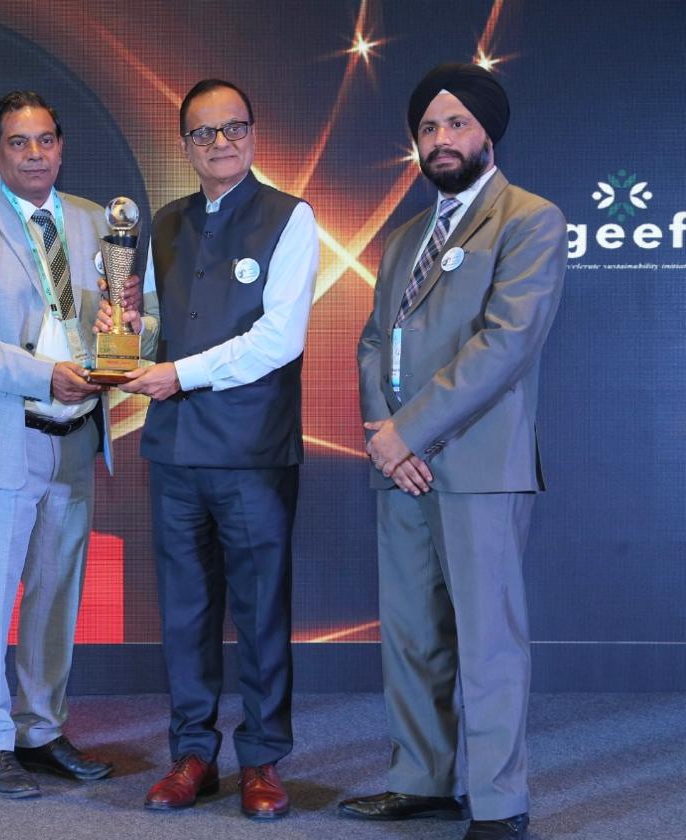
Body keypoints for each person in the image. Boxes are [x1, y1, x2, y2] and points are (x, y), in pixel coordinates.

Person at [342, 64, 567, 840]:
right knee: (413, 635)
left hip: (477, 465)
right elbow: (374, 343)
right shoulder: (405, 238)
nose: (442, 139)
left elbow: (505, 346)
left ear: (487, 132)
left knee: (487, 641)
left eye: (457, 123)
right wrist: (385, 438)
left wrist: (408, 432)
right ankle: (422, 781)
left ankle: (499, 803)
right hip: (400, 470)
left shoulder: (529, 220)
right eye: (429, 127)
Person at [0, 90, 149, 799]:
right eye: (18, 143)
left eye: (46, 140)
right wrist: (41, 375)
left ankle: (41, 729)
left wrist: (132, 338)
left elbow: (138, 322)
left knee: (56, 595)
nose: (34, 154)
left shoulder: (98, 222)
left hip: (78, 437)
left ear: (61, 146)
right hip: (6, 436)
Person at [115, 79, 318, 820]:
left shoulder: (291, 218)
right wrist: (126, 330)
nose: (220, 143)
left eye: (233, 128)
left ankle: (261, 758)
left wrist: (180, 373)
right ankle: (192, 754)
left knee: (260, 613)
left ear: (254, 134)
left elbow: (279, 339)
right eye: (204, 133)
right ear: (186, 146)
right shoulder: (167, 222)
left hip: (252, 451)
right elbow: (153, 329)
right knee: (185, 612)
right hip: (174, 450)